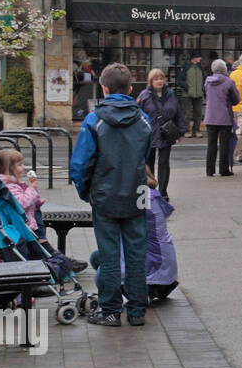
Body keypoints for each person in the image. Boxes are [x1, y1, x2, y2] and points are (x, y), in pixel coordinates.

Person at [69, 61, 152, 327]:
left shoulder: (94, 119)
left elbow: (80, 164)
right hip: (137, 191)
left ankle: (111, 310)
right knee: (137, 251)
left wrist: (86, 191)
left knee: (109, 253)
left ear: (103, 88)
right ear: (130, 88)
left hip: (104, 192)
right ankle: (138, 310)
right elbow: (146, 155)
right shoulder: (142, 118)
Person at [90, 168, 179, 303]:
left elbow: (123, 227)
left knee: (102, 274)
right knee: (96, 257)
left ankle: (138, 294)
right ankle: (142, 289)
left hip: (152, 270)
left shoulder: (140, 197)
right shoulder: (150, 194)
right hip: (165, 271)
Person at [137, 68, 186, 201]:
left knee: (164, 163)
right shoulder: (144, 95)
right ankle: (151, 190)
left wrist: (181, 131)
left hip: (166, 134)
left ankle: (163, 192)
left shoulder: (170, 95)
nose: (159, 81)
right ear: (151, 81)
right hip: (148, 134)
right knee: (149, 163)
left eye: (161, 78)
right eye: (156, 79)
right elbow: (137, 115)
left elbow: (179, 113)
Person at [203, 59, 241, 177]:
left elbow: (206, 95)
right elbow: (236, 99)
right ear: (224, 69)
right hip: (224, 116)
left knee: (211, 144)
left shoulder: (207, 82)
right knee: (224, 144)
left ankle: (210, 170)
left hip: (210, 116)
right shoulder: (229, 82)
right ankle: (224, 169)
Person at [180, 55, 205, 135]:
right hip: (187, 95)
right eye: (199, 57)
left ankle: (196, 130)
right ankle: (187, 131)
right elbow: (180, 80)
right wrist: (188, 89)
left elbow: (203, 79)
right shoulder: (186, 67)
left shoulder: (200, 67)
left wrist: (202, 89)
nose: (200, 58)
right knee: (186, 113)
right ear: (194, 58)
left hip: (199, 94)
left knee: (198, 113)